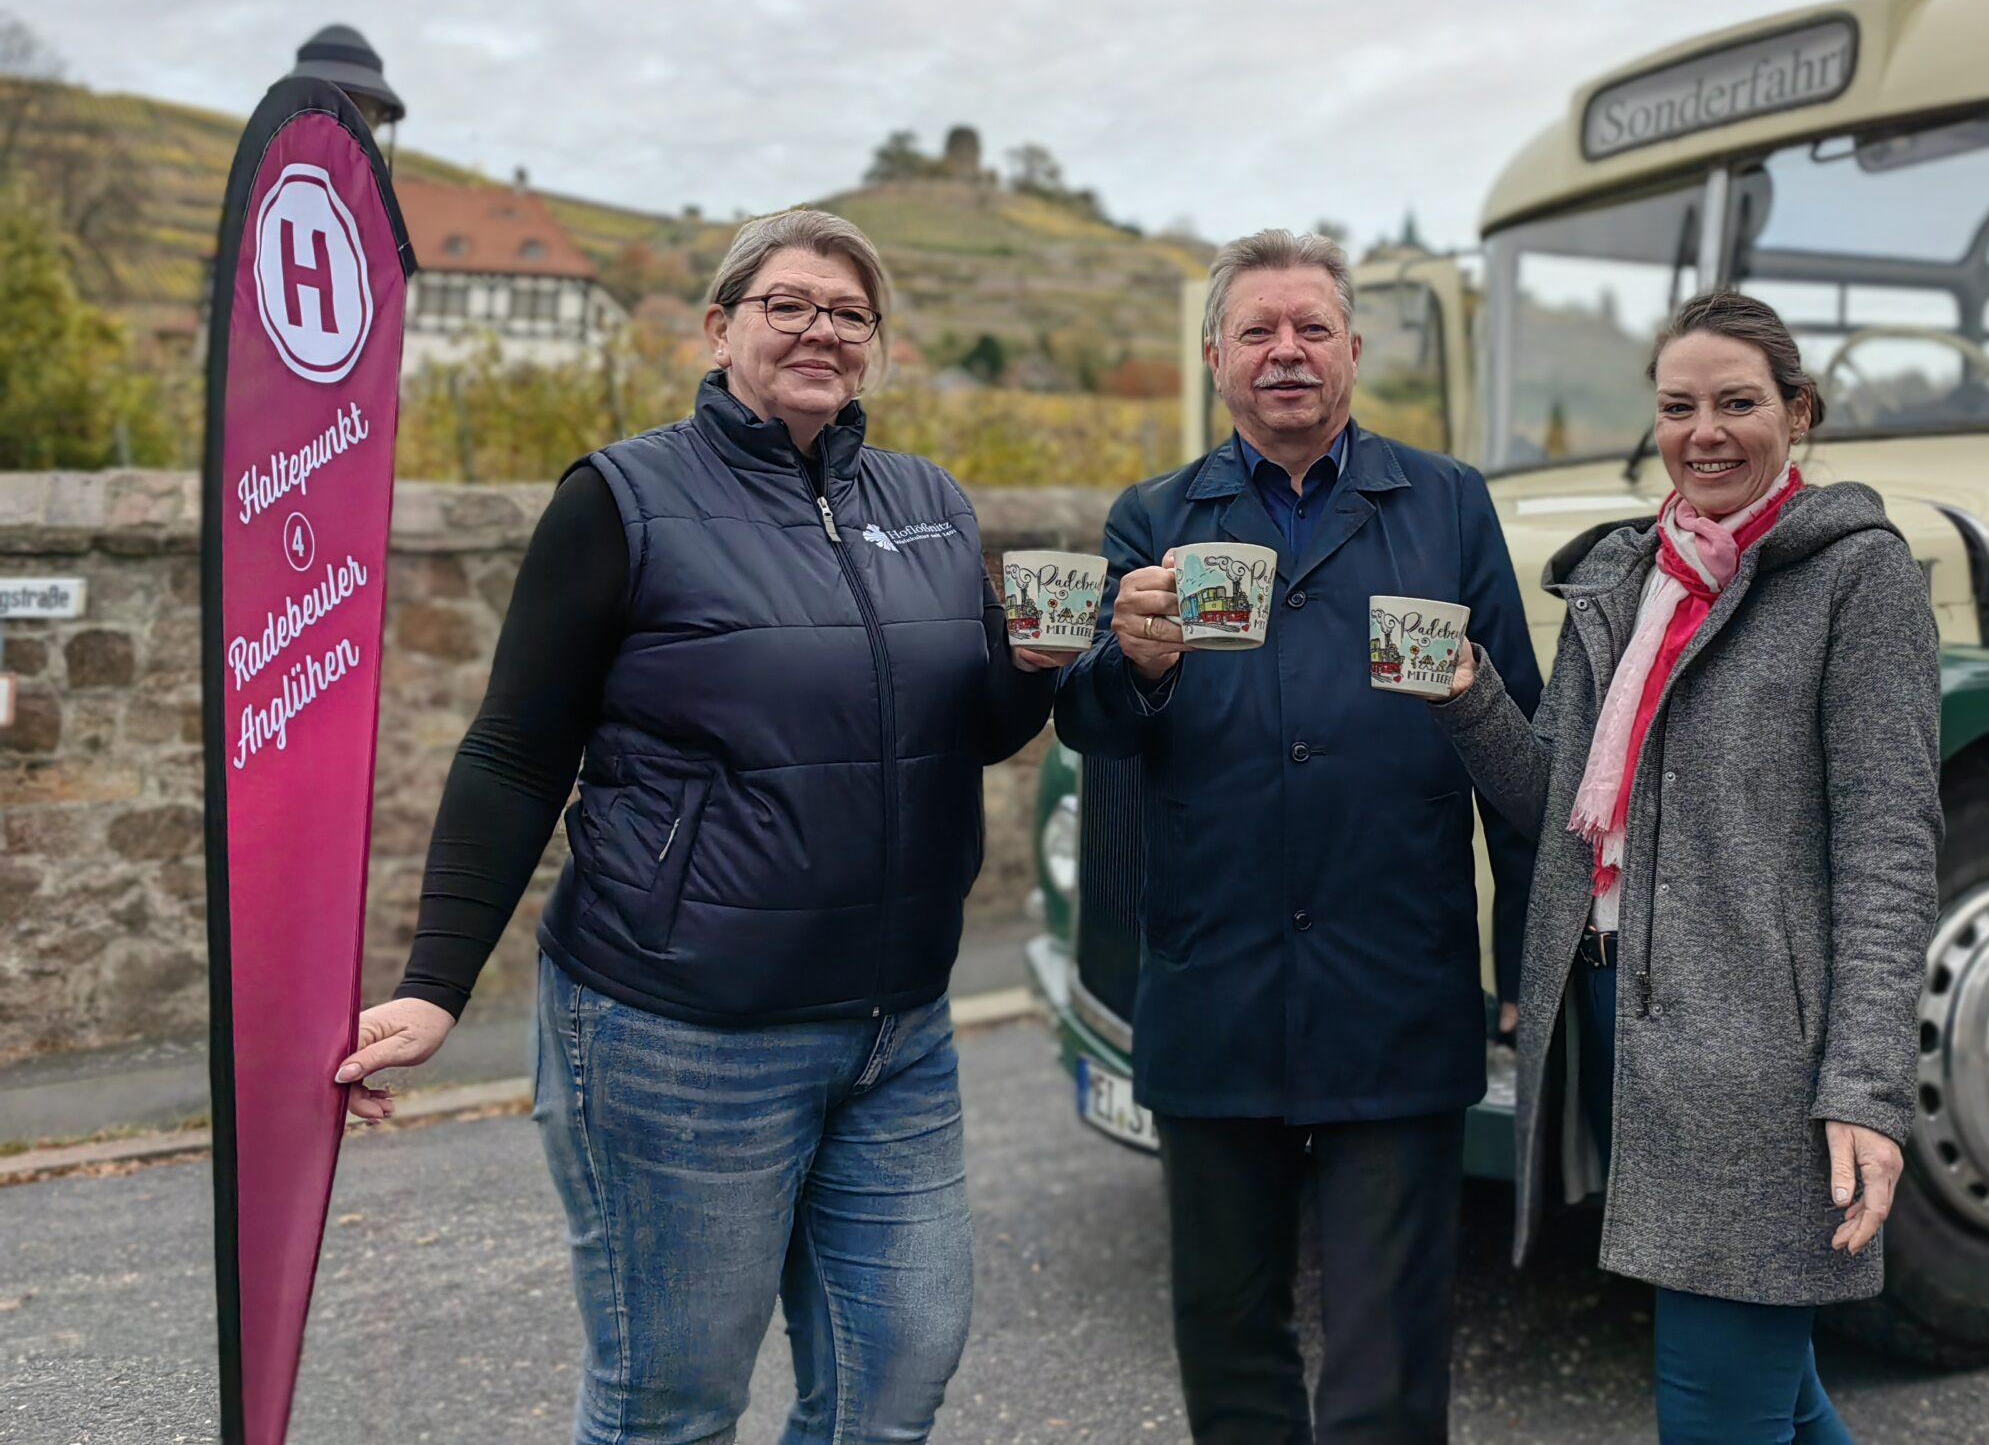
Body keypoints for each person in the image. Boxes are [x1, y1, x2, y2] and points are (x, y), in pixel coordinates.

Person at [335, 208, 1070, 1443]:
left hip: (896, 1028)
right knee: (671, 1404)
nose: (820, 331)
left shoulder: (932, 505)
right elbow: (516, 749)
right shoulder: (622, 499)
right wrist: (436, 984)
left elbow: (976, 726)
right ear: (722, 325)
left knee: (896, 1377)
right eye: (788, 304)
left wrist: (1039, 666)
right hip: (680, 1032)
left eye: (848, 313)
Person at [1054, 228, 1543, 1445]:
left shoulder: (1447, 504)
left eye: (1311, 329)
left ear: (1352, 352)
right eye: (1259, 332)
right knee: (1226, 1337)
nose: (1286, 352)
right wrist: (1138, 666)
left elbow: (1526, 762)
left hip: (1396, 977)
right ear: (1217, 355)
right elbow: (1090, 725)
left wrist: (1531, 962)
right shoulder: (1154, 516)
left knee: (1389, 1360)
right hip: (1215, 982)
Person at [1431, 290, 1941, 1445]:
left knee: (1718, 1397)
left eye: (1735, 403)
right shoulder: (1622, 573)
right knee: (1769, 1383)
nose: (1704, 431)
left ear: (1796, 412)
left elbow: (1889, 849)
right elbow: (1558, 804)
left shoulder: (1860, 580)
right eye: (1676, 407)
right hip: (1617, 1018)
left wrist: (1864, 1086)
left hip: (1762, 1046)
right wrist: (1465, 695)